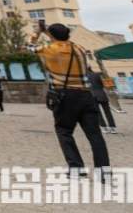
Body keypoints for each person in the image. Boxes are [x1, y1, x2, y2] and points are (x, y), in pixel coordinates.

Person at [30, 23, 109, 177]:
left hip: (64, 95)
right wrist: (50, 32)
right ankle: (104, 171)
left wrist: (38, 32)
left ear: (51, 36)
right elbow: (61, 41)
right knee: (95, 135)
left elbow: (30, 47)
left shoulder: (49, 49)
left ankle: (76, 167)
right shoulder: (79, 49)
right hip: (86, 95)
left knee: (64, 131)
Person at [86, 67, 117, 134]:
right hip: (102, 95)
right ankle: (112, 128)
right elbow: (103, 84)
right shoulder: (97, 75)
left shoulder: (85, 77)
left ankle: (104, 127)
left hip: (92, 96)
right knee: (108, 112)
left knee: (98, 113)